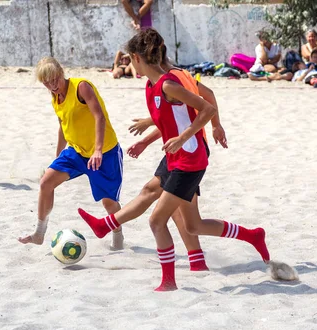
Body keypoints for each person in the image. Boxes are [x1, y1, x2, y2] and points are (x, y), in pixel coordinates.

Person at [79, 29, 269, 291]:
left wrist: (186, 136)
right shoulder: (150, 85)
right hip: (175, 157)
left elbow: (207, 107)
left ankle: (168, 281)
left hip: (190, 160)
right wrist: (147, 137)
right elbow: (168, 118)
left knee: (157, 220)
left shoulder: (169, 84)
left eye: (129, 59)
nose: (128, 64)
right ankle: (252, 236)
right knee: (192, 223)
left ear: (136, 57)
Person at [112, 44, 228, 272]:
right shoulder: (170, 78)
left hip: (190, 150)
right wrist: (148, 126)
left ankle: (108, 224)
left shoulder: (172, 79)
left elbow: (198, 108)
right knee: (182, 215)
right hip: (181, 149)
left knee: (164, 211)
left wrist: (213, 125)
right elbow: (174, 114)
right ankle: (197, 260)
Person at [18, 57, 124, 250]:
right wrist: (58, 156)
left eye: (54, 79)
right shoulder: (55, 97)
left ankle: (118, 235)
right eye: (46, 83)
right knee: (46, 182)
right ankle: (39, 233)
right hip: (76, 151)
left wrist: (98, 150)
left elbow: (99, 117)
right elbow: (62, 127)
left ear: (61, 72)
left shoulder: (81, 87)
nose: (52, 85)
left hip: (105, 152)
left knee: (109, 202)